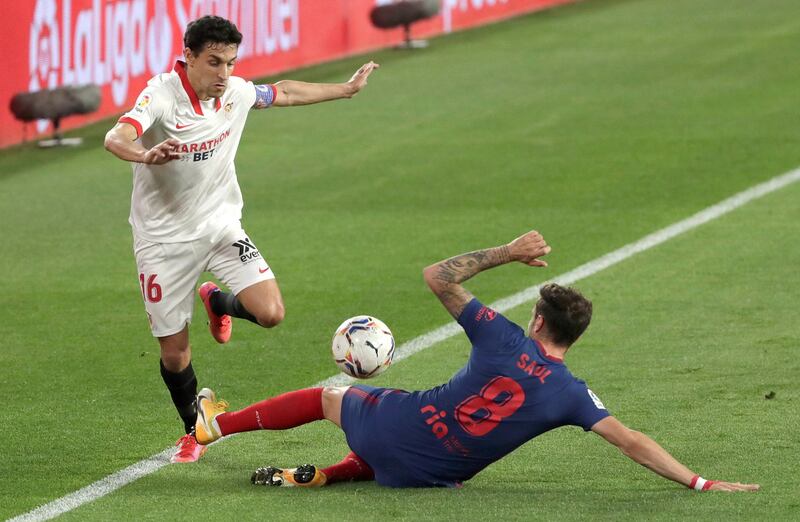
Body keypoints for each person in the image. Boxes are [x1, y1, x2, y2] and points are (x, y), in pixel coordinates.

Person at [193, 230, 759, 492]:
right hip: (435, 477)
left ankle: (215, 424)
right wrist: (699, 481)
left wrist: (509, 253)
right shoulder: (572, 394)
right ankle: (337, 473)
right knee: (398, 451)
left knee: (328, 398)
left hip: (396, 430)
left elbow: (438, 275)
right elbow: (632, 440)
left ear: (538, 322)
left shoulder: (502, 338)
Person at [104, 15, 379, 463]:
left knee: (270, 313)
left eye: (231, 62)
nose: (224, 74)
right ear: (188, 56)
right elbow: (115, 137)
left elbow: (283, 91)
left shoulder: (233, 92)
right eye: (214, 62)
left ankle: (219, 302)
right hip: (163, 242)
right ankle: (192, 428)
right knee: (175, 355)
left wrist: (345, 90)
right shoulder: (160, 95)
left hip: (220, 226)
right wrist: (144, 154)